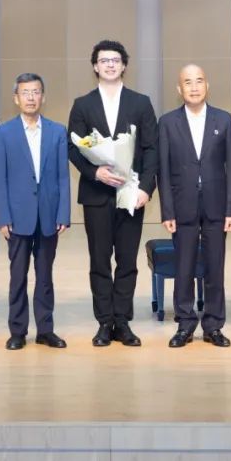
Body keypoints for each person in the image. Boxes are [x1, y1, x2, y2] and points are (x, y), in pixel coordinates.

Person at [68, 40, 158, 348]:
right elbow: (73, 147)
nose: (109, 65)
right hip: (97, 194)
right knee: (99, 260)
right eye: (104, 60)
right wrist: (95, 172)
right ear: (95, 66)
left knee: (128, 260)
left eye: (115, 60)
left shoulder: (140, 103)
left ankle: (123, 321)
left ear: (124, 66)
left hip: (131, 194)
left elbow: (151, 148)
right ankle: (104, 322)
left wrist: (146, 188)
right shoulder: (83, 104)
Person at [158, 64, 231, 348]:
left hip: (217, 206)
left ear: (207, 85)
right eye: (188, 82)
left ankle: (213, 325)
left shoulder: (224, 119)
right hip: (183, 206)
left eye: (199, 81)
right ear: (179, 89)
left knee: (215, 268)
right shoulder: (167, 122)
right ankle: (185, 324)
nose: (194, 87)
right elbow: (163, 170)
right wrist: (167, 210)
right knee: (184, 268)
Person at [0, 73, 71, 351]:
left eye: (36, 92)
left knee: (45, 276)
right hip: (17, 217)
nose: (31, 97)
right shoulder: (4, 133)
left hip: (48, 215)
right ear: (16, 98)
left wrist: (63, 213)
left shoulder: (57, 131)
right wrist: (3, 216)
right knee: (18, 276)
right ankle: (17, 331)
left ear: (43, 97)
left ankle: (46, 330)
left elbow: (63, 176)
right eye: (25, 93)